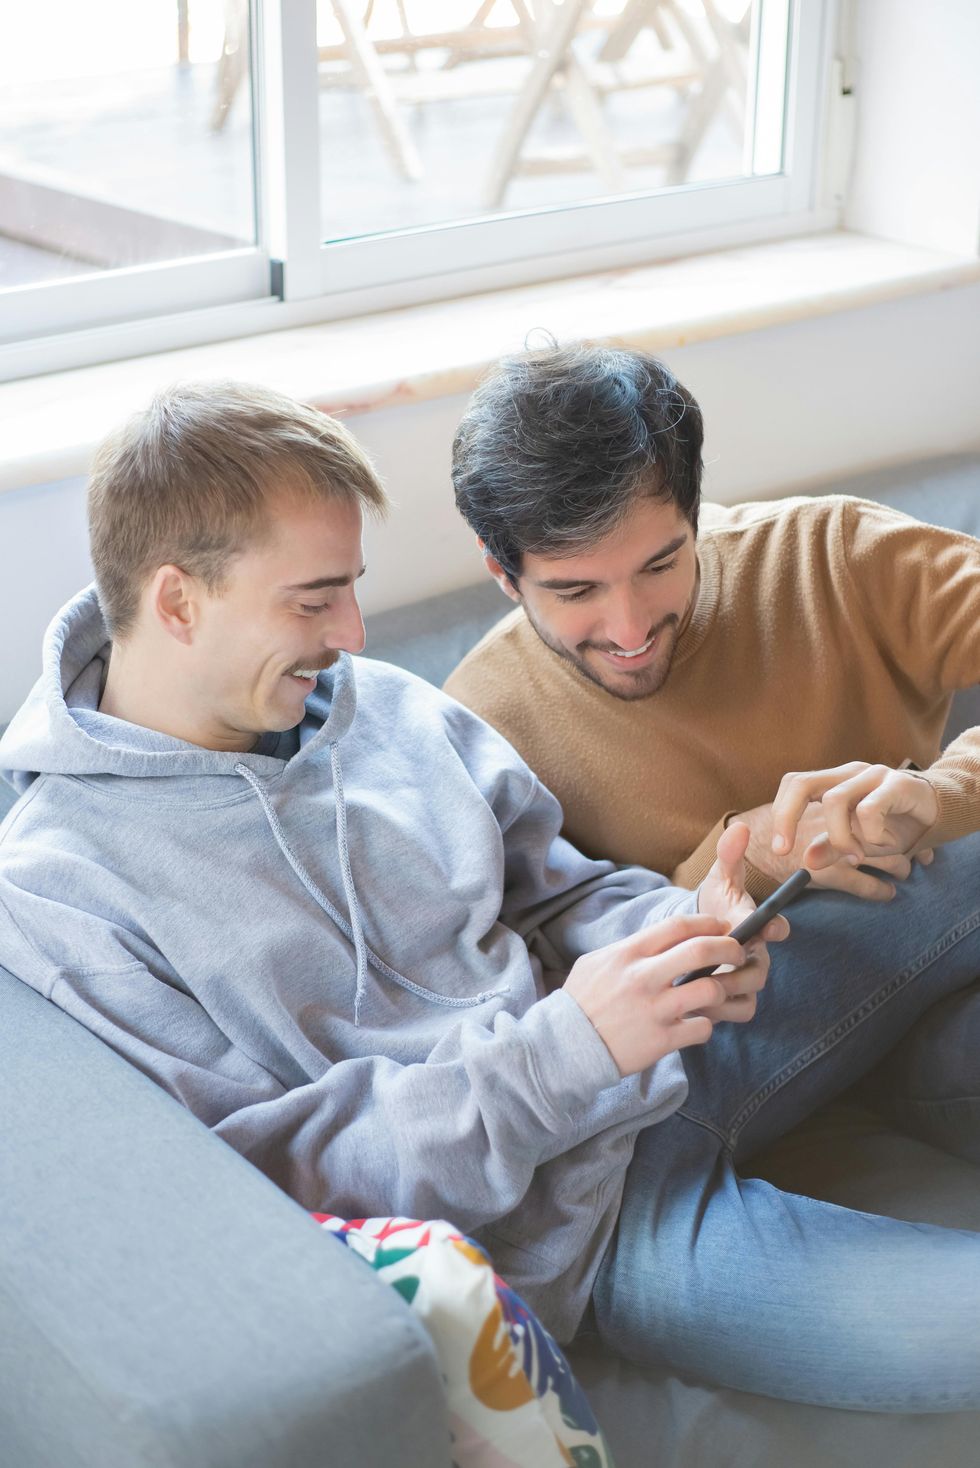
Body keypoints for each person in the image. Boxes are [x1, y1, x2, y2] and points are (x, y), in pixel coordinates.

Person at [0, 381, 779, 1367]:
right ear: (177, 602)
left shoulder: (374, 702)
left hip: (664, 1066)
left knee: (920, 867)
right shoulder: (58, 891)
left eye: (350, 586)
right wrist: (567, 1049)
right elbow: (272, 1182)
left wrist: (683, 932)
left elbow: (566, 890)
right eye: (315, 598)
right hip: (566, 1223)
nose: (355, 634)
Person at [445, 343, 980, 1408]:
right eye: (573, 591)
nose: (630, 627)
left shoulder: (830, 554)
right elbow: (541, 1003)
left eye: (659, 564)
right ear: (500, 570)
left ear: (697, 513)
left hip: (933, 971)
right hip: (737, 1051)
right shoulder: (472, 734)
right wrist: (723, 867)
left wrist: (937, 794)